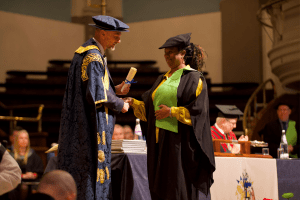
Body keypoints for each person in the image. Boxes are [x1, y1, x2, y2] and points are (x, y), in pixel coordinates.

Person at [124, 33, 215, 199]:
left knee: (177, 189)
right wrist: (133, 103)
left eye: (171, 53)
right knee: (160, 189)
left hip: (179, 144)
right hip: (159, 143)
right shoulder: (162, 79)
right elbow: (150, 109)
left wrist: (172, 111)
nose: (166, 57)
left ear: (182, 54)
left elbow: (198, 112)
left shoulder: (194, 78)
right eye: (165, 54)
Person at [57, 15, 130, 200]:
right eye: (116, 35)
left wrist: (115, 90)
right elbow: (97, 95)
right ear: (103, 33)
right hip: (89, 129)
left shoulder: (85, 52)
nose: (119, 39)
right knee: (90, 179)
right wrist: (121, 105)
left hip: (79, 126)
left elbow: (95, 87)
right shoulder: (94, 57)